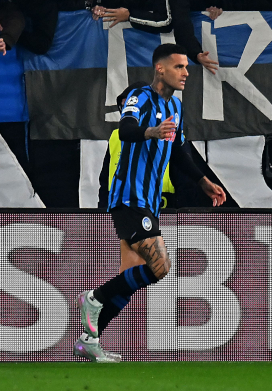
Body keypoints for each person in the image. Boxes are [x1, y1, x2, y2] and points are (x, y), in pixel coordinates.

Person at [74, 44, 226, 362]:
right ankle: (95, 298)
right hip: (130, 197)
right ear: (160, 68)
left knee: (131, 277)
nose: (186, 72)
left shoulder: (176, 108)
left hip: (150, 202)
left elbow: (181, 151)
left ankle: (90, 339)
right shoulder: (140, 97)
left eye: (187, 67)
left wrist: (204, 181)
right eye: (180, 67)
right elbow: (126, 129)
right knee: (160, 267)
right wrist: (152, 131)